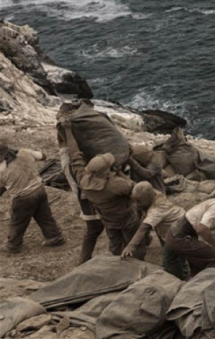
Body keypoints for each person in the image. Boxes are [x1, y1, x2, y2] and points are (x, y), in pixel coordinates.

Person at [60, 120, 145, 258]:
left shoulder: (82, 178)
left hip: (108, 220)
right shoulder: (116, 184)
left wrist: (68, 130)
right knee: (135, 245)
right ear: (106, 171)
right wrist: (122, 174)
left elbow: (75, 154)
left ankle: (116, 261)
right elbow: (140, 191)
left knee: (115, 245)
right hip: (126, 218)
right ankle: (137, 263)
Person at [56, 103, 103, 262]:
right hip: (87, 196)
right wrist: (69, 127)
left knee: (98, 228)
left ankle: (85, 260)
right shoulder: (74, 164)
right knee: (95, 228)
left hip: (86, 192)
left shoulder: (65, 154)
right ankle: (84, 261)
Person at [165, 188, 215, 277]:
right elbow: (202, 229)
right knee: (214, 257)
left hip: (184, 235)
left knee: (201, 259)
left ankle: (196, 283)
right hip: (179, 236)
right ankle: (212, 285)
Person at [0, 141, 65, 253]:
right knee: (44, 216)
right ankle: (55, 237)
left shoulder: (2, 170)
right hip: (39, 189)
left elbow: (1, 188)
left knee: (18, 221)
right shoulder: (24, 152)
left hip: (23, 197)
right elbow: (43, 156)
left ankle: (13, 245)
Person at [123, 181, 188, 279]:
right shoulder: (153, 192)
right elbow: (138, 187)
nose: (137, 205)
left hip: (178, 230)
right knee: (171, 250)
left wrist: (130, 246)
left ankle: (180, 277)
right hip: (167, 227)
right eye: (135, 201)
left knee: (170, 258)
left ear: (148, 198)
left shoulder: (157, 210)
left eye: (139, 202)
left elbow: (143, 228)